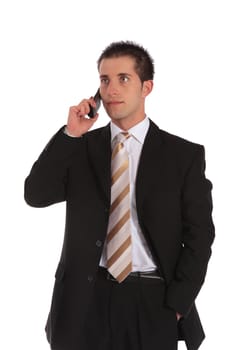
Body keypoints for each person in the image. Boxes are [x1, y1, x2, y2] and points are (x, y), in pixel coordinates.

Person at [24, 41, 215, 350]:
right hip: (85, 300)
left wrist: (179, 302)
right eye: (104, 80)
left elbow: (200, 234)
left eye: (123, 78)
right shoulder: (80, 147)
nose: (111, 89)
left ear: (146, 87)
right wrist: (71, 134)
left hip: (153, 300)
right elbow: (35, 194)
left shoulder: (183, 156)